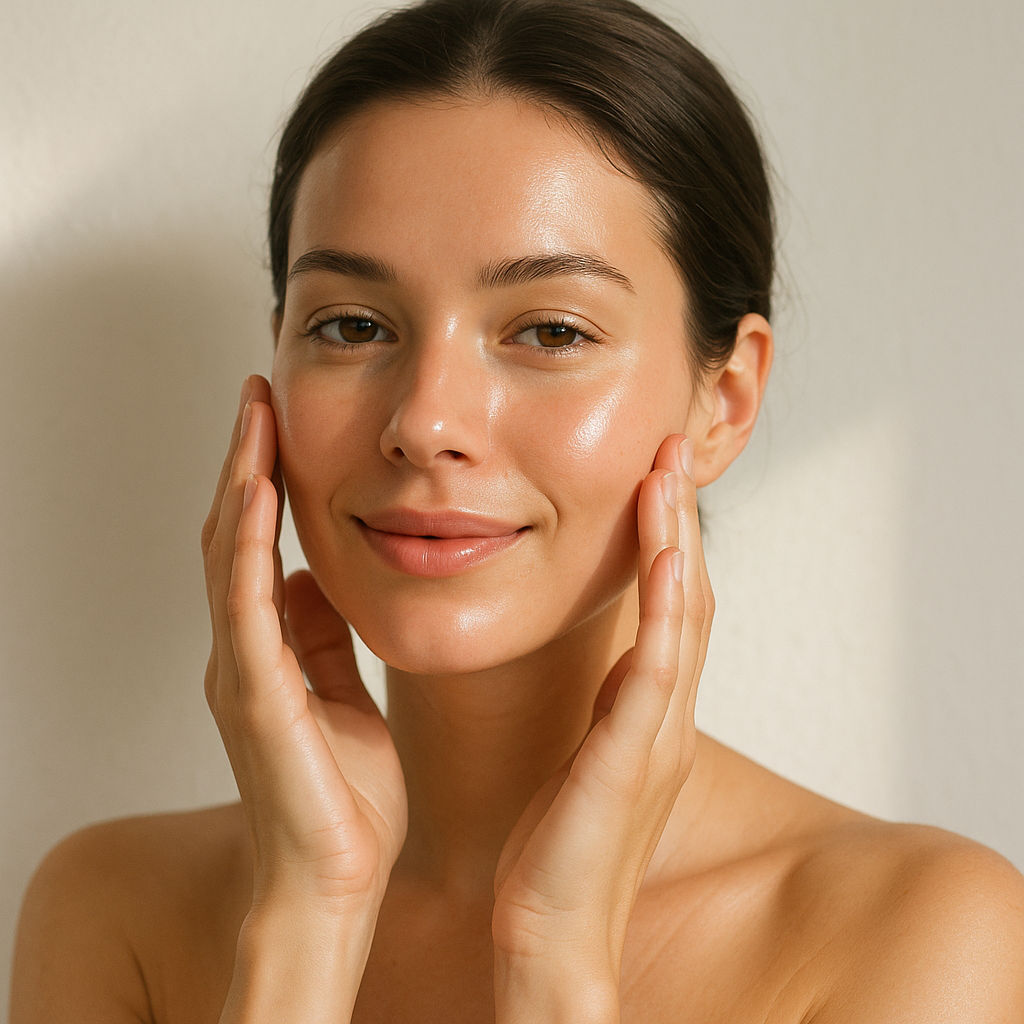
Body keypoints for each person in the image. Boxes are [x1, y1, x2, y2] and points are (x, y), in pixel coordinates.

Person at [10, 0, 1024, 1020]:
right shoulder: (115, 911)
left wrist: (556, 954)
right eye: (353, 325)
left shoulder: (913, 935)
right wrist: (309, 917)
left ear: (724, 400)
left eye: (548, 331)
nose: (425, 421)